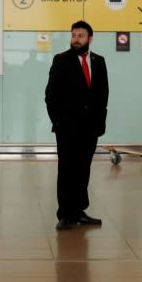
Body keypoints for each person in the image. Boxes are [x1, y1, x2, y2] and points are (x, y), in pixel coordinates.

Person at [45, 20, 109, 231]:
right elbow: (50, 95)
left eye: (80, 36)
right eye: (73, 35)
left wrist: (100, 122)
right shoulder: (61, 60)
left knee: (83, 169)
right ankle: (65, 214)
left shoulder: (99, 61)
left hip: (90, 127)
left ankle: (79, 211)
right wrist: (58, 121)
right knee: (66, 169)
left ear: (90, 39)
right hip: (67, 127)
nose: (76, 39)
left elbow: (103, 94)